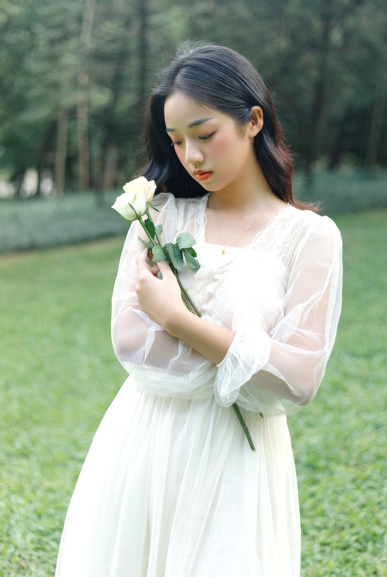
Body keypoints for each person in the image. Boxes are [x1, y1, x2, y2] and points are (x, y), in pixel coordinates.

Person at [55, 44, 342, 577]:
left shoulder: (310, 237)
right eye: (177, 140)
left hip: (238, 454)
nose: (191, 156)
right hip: (145, 437)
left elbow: (299, 377)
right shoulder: (159, 217)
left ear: (253, 120)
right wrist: (244, 361)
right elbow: (131, 344)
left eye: (205, 134)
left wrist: (177, 320)